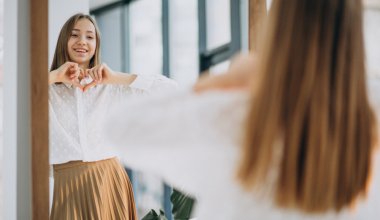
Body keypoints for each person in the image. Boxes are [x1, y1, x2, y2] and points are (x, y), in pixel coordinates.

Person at [104, 0, 380, 219]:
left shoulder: (242, 117)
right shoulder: (371, 116)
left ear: (279, 30)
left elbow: (120, 127)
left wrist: (227, 79)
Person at [48, 13, 177, 220]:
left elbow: (170, 90)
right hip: (68, 185)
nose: (82, 41)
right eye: (75, 35)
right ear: (64, 40)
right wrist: (54, 76)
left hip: (109, 180)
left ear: (96, 45)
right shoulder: (47, 91)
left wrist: (117, 78)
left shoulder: (111, 89)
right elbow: (8, 87)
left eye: (90, 37)